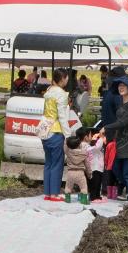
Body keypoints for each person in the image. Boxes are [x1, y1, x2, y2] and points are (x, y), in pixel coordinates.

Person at [105, 76, 128, 201]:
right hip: (121, 142)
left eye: (124, 86)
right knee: (115, 168)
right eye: (119, 86)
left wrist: (106, 128)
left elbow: (122, 122)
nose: (121, 88)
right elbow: (120, 123)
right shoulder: (122, 102)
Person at [42, 69, 70, 201]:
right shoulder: (61, 94)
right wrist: (68, 135)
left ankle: (48, 193)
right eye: (67, 78)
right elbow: (62, 116)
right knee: (57, 163)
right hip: (56, 130)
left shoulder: (48, 92)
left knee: (48, 162)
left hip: (45, 130)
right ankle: (54, 193)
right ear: (63, 78)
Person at [64, 129, 90, 196]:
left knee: (68, 187)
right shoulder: (84, 154)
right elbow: (87, 165)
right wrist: (89, 173)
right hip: (80, 173)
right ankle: (83, 200)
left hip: (70, 173)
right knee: (84, 188)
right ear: (79, 145)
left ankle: (67, 199)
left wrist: (67, 139)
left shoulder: (68, 153)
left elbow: (65, 146)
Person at [85, 127, 106, 199]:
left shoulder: (97, 143)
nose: (90, 136)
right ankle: (93, 196)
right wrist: (101, 137)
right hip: (94, 167)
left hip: (99, 167)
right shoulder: (92, 145)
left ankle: (97, 195)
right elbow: (97, 147)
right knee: (94, 183)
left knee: (99, 182)